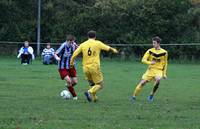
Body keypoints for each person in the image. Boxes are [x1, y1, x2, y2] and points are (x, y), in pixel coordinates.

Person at [70, 30, 118, 102]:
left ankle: (95, 98)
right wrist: (114, 50)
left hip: (85, 68)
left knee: (92, 84)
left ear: (88, 36)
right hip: (94, 67)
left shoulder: (83, 44)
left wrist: (71, 64)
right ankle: (89, 92)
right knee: (100, 85)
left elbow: (74, 54)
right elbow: (108, 48)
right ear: (95, 36)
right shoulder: (97, 43)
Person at [131, 36, 168, 102]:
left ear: (158, 43)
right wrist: (150, 62)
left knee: (158, 79)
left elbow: (165, 64)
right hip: (150, 70)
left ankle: (151, 95)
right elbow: (143, 60)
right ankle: (134, 96)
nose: (153, 44)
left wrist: (164, 74)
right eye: (153, 43)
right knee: (142, 83)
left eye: (154, 43)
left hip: (159, 70)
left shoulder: (164, 52)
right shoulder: (150, 51)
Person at [54, 34, 78, 100]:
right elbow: (55, 53)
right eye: (71, 42)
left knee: (75, 82)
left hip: (72, 66)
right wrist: (57, 58)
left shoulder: (74, 45)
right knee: (68, 80)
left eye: (73, 42)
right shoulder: (63, 46)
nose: (72, 43)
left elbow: (79, 49)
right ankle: (74, 96)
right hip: (62, 67)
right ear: (67, 41)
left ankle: (68, 86)